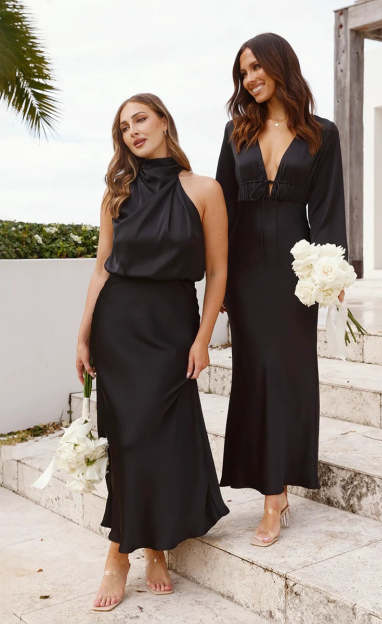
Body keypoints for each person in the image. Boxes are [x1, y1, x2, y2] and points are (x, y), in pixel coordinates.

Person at [76, 93, 229, 611]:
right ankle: (122, 552)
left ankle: (156, 547)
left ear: (164, 121)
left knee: (160, 437)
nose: (133, 131)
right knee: (128, 438)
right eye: (124, 127)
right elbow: (102, 267)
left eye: (140, 119)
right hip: (119, 325)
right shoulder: (116, 194)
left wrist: (203, 338)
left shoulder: (205, 190)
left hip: (173, 327)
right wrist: (83, 332)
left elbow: (218, 272)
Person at [215, 33, 348, 547]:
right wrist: (218, 278)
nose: (250, 78)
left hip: (297, 274)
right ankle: (271, 487)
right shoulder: (236, 132)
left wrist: (331, 272)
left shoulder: (322, 133)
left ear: (279, 65)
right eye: (243, 72)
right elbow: (222, 207)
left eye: (256, 67)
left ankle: (277, 496)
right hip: (246, 272)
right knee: (254, 375)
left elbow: (329, 207)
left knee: (290, 376)